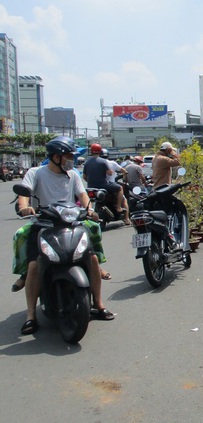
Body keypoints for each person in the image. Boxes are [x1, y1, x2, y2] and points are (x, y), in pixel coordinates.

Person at [14, 136, 114, 335]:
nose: (72, 160)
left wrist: (90, 209)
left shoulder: (73, 174)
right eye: (68, 156)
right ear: (56, 157)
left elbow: (83, 196)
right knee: (34, 265)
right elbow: (24, 196)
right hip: (43, 223)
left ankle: (99, 304)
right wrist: (24, 207)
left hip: (70, 222)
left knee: (92, 258)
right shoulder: (36, 173)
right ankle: (31, 316)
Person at [83, 144, 127, 217]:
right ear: (100, 152)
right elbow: (109, 173)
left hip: (90, 186)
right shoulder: (103, 161)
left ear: (91, 152)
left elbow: (84, 177)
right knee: (120, 188)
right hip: (103, 185)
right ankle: (119, 207)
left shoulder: (87, 162)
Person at [101, 149, 130, 224]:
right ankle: (125, 216)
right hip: (110, 186)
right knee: (124, 199)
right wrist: (124, 175)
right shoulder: (112, 163)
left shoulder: (97, 163)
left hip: (98, 186)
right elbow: (124, 171)